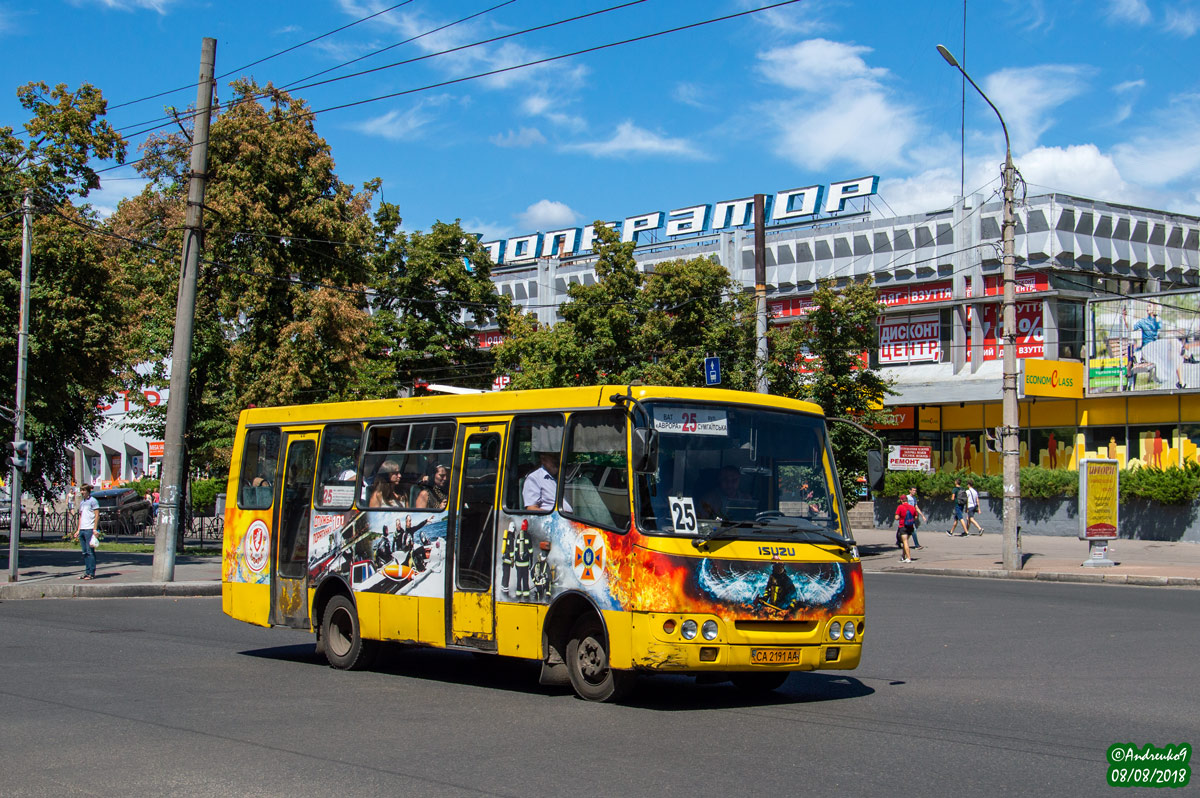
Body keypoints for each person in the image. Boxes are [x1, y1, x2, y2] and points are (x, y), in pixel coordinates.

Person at [75, 484, 99, 580]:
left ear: (88, 491)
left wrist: (94, 529)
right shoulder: (82, 503)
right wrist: (78, 529)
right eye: (81, 490)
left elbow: (97, 515)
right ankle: (87, 571)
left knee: (90, 552)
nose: (82, 492)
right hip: (82, 529)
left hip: (89, 529)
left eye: (83, 490)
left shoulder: (93, 501)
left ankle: (91, 573)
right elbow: (81, 516)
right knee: (85, 552)